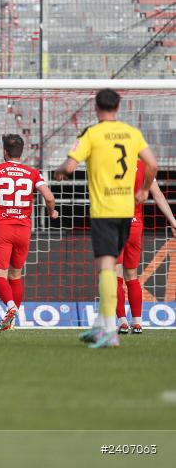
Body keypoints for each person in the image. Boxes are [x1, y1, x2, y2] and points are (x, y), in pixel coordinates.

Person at [54, 88, 157, 348]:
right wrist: (144, 189)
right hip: (128, 212)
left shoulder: (92, 133)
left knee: (108, 269)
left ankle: (109, 330)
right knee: (116, 270)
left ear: (97, 108)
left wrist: (59, 172)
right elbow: (153, 164)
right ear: (118, 107)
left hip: (104, 211)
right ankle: (102, 325)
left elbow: (69, 166)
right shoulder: (132, 134)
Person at [0, 134, 58, 331]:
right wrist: (52, 211)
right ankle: (11, 323)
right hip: (24, 230)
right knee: (15, 275)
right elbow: (49, 197)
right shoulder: (33, 172)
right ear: (20, 152)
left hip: (2, 228)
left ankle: (11, 307)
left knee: (0, 274)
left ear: (4, 152)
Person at [114, 158, 176, 335]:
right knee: (132, 275)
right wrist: (172, 220)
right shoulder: (143, 166)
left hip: (115, 224)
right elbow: (158, 195)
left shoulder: (109, 161)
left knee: (114, 274)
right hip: (135, 225)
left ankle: (122, 321)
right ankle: (138, 322)